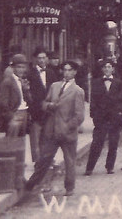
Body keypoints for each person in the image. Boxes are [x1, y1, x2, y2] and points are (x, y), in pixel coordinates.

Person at [24, 60, 86, 197]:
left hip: (67, 133)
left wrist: (68, 126)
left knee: (69, 161)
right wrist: (49, 106)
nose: (67, 73)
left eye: (70, 70)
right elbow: (44, 103)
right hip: (51, 130)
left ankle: (69, 187)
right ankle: (32, 184)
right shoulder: (54, 86)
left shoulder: (78, 91)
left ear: (75, 72)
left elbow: (79, 116)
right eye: (65, 70)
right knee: (44, 159)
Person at [85, 59, 122, 175]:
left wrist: (121, 112)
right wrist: (94, 114)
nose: (107, 69)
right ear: (102, 69)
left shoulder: (119, 83)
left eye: (109, 67)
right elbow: (93, 100)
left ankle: (110, 166)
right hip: (101, 117)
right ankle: (89, 168)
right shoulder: (96, 82)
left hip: (115, 117)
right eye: (105, 67)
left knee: (113, 143)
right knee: (97, 142)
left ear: (113, 69)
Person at [28, 47, 59, 164]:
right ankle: (37, 161)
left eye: (44, 58)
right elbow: (28, 93)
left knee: (48, 136)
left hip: (49, 110)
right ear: (35, 59)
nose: (41, 60)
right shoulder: (30, 74)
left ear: (47, 59)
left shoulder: (51, 73)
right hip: (35, 110)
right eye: (39, 58)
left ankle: (47, 159)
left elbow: (56, 89)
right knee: (35, 137)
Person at [0, 53, 31, 137]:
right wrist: (11, 116)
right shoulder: (8, 82)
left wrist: (26, 90)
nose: (21, 70)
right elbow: (3, 103)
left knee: (21, 140)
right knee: (11, 141)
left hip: (24, 112)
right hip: (15, 113)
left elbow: (29, 100)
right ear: (13, 68)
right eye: (18, 67)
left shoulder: (23, 81)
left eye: (23, 67)